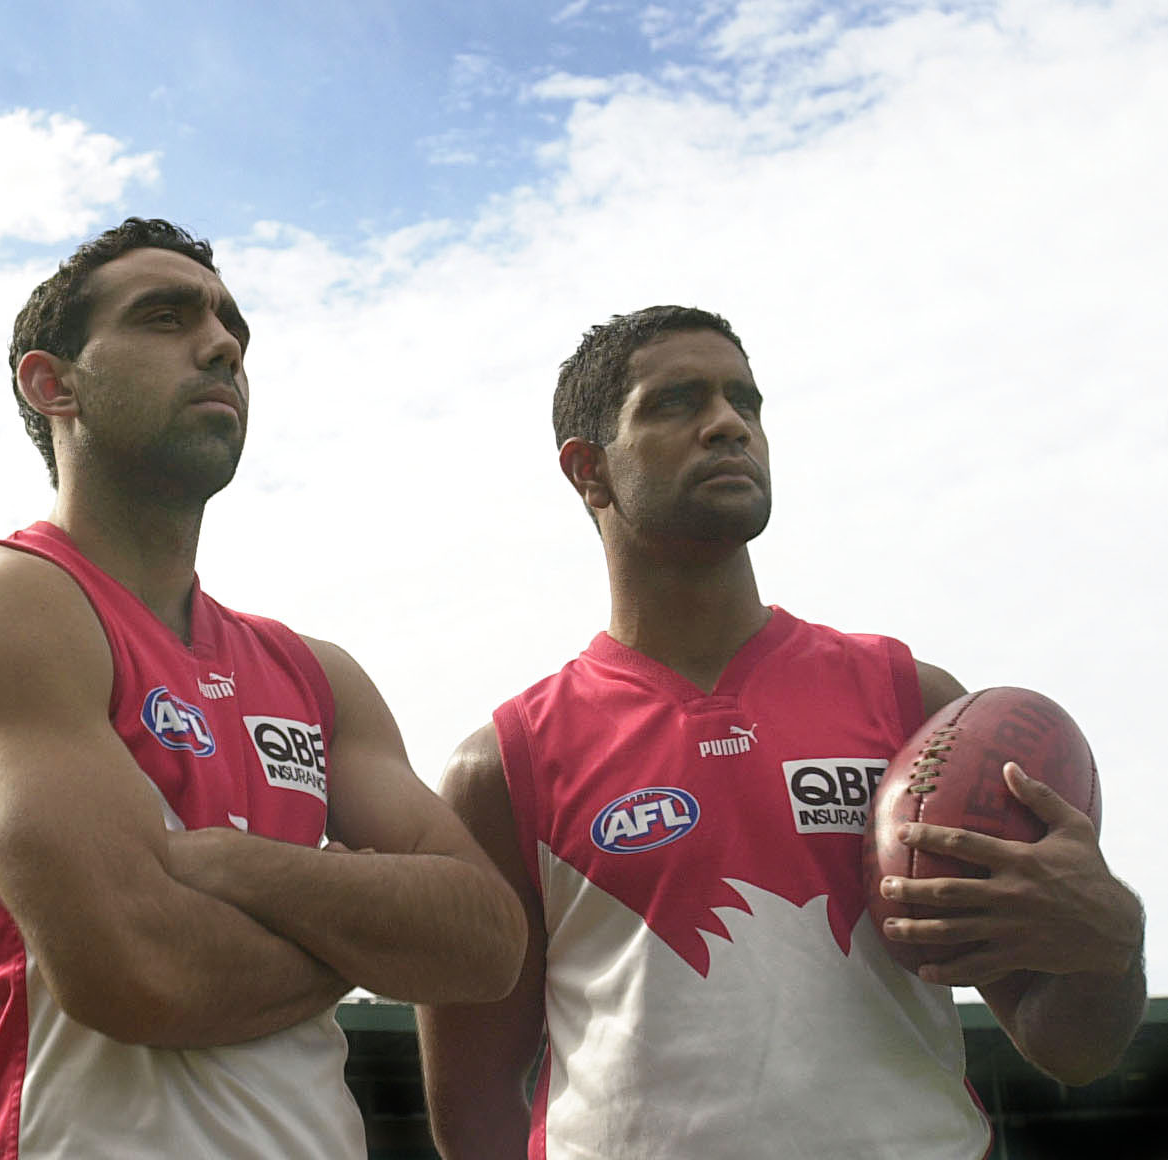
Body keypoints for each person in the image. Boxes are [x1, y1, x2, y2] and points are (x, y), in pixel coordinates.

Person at [415, 306, 1147, 1159]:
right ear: (589, 472)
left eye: (745, 403)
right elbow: (471, 1104)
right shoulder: (502, 764)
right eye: (676, 402)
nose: (728, 424)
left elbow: (1070, 1046)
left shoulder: (910, 702)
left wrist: (1109, 942)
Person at [0, 217, 525, 1159]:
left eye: (231, 328)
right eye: (164, 317)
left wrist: (239, 867)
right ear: (52, 384)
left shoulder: (316, 674)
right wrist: (372, 926)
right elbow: (141, 972)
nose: (220, 344)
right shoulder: (4, 604)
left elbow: (487, 943)